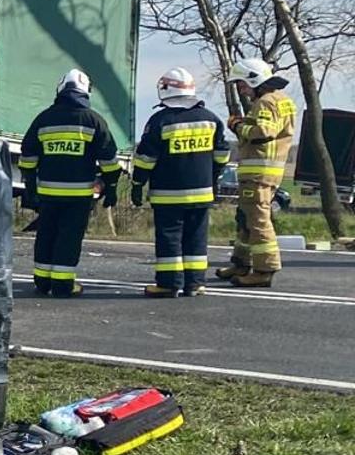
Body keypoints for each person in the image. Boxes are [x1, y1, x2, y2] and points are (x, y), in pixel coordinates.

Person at [19, 69, 122, 297]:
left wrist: (30, 185)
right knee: (69, 237)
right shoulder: (94, 121)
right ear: (86, 92)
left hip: (47, 193)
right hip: (78, 195)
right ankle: (63, 285)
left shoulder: (43, 119)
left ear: (61, 89)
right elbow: (109, 161)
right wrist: (111, 186)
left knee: (46, 234)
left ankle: (42, 281)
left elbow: (27, 157)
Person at [130, 68, 230, 297]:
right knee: (196, 238)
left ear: (165, 90)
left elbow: (146, 159)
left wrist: (138, 183)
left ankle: (168, 283)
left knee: (169, 238)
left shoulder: (161, 121)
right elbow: (222, 153)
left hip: (168, 194)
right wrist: (213, 176)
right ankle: (195, 283)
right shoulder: (211, 119)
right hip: (202, 193)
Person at [215, 58, 296, 288]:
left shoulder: (265, 102)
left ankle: (263, 270)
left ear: (255, 79)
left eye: (242, 83)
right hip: (265, 173)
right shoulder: (281, 100)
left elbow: (263, 132)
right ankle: (241, 263)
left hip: (258, 173)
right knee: (245, 219)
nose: (241, 89)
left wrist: (237, 126)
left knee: (258, 221)